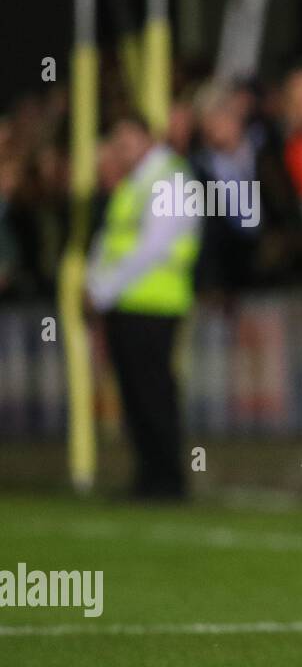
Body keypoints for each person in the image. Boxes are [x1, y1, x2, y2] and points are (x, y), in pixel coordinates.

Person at [85, 113, 199, 499]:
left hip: (154, 304)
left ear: (147, 139)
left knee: (153, 395)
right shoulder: (135, 183)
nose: (121, 150)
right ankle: (149, 476)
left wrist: (102, 288)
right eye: (117, 142)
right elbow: (112, 239)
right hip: (127, 303)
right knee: (135, 396)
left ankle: (168, 478)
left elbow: (154, 246)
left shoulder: (170, 178)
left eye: (128, 140)